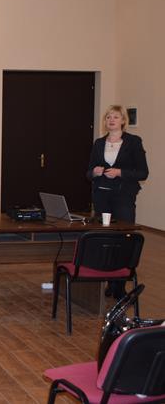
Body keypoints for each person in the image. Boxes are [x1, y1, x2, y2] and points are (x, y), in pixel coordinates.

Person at [87, 105, 149, 299]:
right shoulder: (99, 143)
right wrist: (94, 172)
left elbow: (142, 172)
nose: (111, 120)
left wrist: (120, 172)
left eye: (115, 117)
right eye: (108, 117)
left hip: (124, 197)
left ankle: (120, 285)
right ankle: (108, 281)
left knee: (123, 238)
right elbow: (88, 172)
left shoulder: (133, 142)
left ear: (123, 120)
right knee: (105, 239)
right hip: (102, 197)